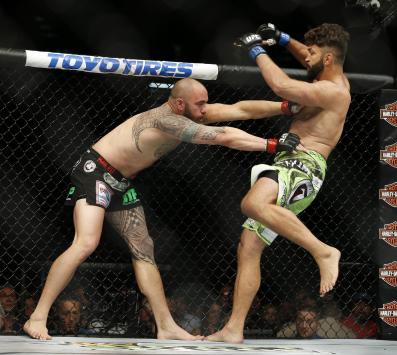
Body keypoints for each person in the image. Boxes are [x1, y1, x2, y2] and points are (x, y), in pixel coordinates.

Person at [23, 77, 303, 341]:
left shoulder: (191, 112)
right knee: (85, 242)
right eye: (200, 104)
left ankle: (166, 325)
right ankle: (37, 317)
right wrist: (272, 145)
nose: (204, 109)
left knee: (144, 248)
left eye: (205, 103)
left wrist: (284, 107)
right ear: (179, 104)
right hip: (96, 171)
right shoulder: (167, 120)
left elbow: (239, 109)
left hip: (120, 180)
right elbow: (222, 136)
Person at [207, 23, 351, 343]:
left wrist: (256, 50)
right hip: (289, 164)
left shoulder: (332, 90)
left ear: (327, 58)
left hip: (304, 165)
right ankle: (233, 329)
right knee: (249, 247)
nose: (306, 55)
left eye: (313, 52)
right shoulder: (328, 74)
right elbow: (308, 56)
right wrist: (283, 39)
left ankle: (323, 252)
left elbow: (282, 86)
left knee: (252, 204)